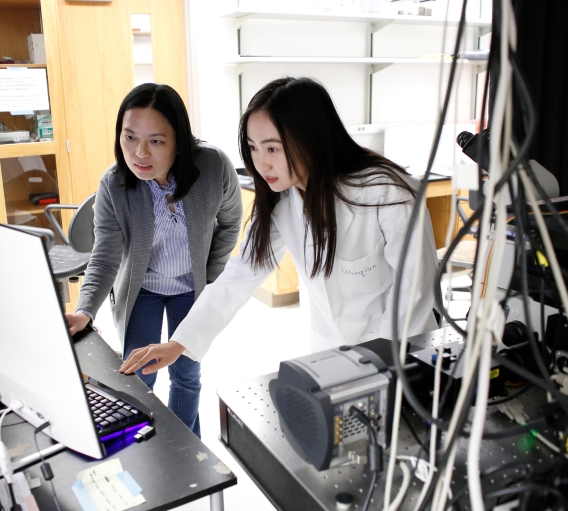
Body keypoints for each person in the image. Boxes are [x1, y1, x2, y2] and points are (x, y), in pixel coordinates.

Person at [120, 76, 438, 382]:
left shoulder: (389, 193)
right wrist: (179, 343)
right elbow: (239, 275)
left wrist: (380, 371)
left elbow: (414, 296)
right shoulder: (283, 200)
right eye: (253, 148)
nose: (261, 163)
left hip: (398, 357)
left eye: (272, 148)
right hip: (330, 353)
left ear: (311, 139)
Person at [65, 83, 243, 437]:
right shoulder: (114, 185)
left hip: (190, 287)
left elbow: (230, 223)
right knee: (139, 373)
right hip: (141, 288)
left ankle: (185, 450)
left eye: (156, 141)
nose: (139, 153)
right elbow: (105, 254)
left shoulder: (212, 167)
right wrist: (85, 310)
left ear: (180, 141)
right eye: (129, 137)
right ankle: (146, 448)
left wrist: (208, 281)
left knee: (187, 373)